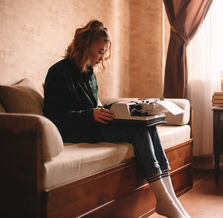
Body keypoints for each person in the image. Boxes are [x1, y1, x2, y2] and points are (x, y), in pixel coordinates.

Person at [43, 20, 190, 218]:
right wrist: (90, 114)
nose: (103, 58)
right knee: (138, 131)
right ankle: (164, 200)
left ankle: (169, 199)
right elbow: (53, 118)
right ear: (86, 46)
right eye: (101, 51)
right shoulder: (58, 72)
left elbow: (92, 106)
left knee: (148, 126)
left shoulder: (89, 73)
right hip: (76, 130)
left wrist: (110, 111)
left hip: (93, 123)